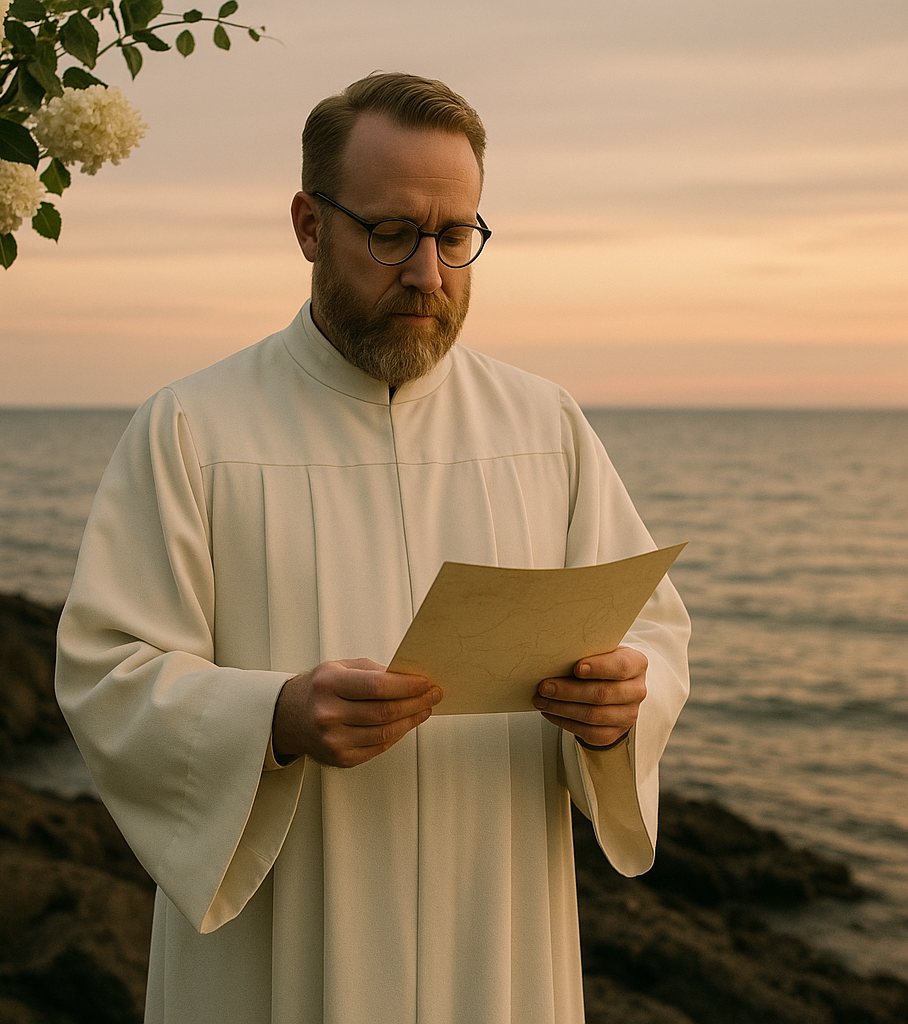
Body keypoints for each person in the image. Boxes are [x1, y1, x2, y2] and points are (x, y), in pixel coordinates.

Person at [55, 72, 690, 1024]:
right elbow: (107, 673)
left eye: (456, 236)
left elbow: (651, 634)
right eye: (391, 233)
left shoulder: (544, 424)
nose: (429, 274)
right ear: (311, 226)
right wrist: (271, 717)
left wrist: (619, 701)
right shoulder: (193, 426)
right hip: (282, 945)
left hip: (496, 918)